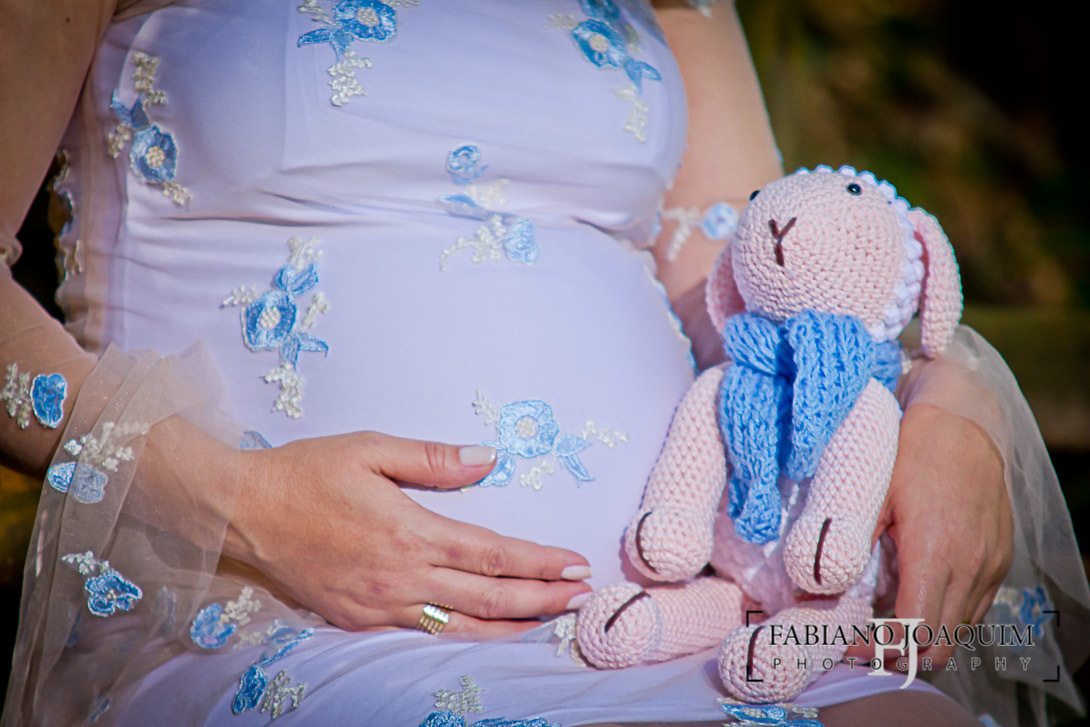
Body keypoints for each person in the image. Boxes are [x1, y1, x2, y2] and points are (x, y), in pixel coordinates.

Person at [0, 1, 1085, 725]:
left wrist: (953, 401)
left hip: (678, 619)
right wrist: (247, 508)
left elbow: (751, 277)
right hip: (277, 612)